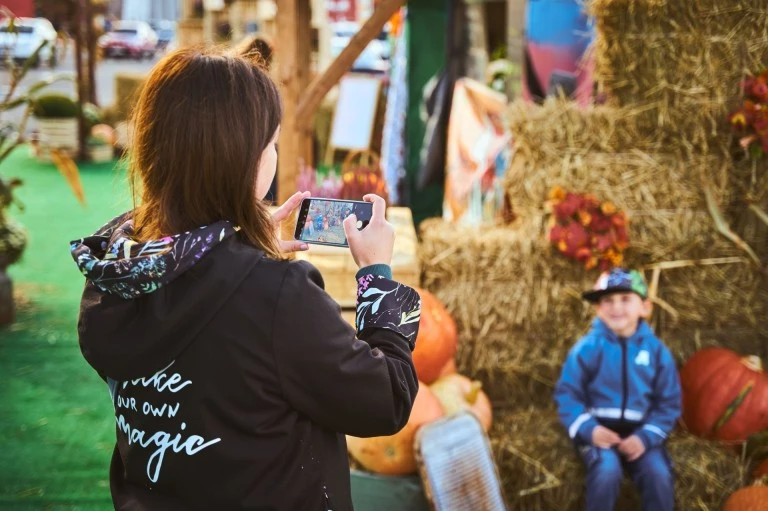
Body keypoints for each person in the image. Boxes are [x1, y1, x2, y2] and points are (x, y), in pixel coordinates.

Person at [69, 47, 422, 511]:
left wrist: (237, 250)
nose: (273, 156)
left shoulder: (113, 275)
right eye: (271, 144)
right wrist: (376, 276)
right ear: (241, 159)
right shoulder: (277, 295)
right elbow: (385, 398)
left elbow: (207, 324)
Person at [553, 268, 681, 511]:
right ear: (599, 309)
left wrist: (645, 437)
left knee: (658, 474)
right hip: (599, 431)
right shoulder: (588, 348)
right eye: (608, 300)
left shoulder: (656, 352)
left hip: (641, 432)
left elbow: (668, 404)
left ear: (645, 307)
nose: (616, 307)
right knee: (606, 471)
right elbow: (568, 394)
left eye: (625, 299)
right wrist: (589, 429)